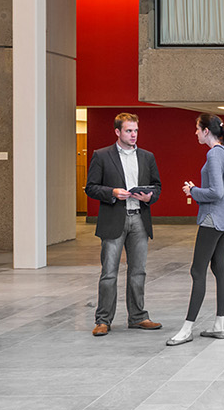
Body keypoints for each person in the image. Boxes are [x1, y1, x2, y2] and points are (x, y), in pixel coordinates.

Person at [83, 112, 162, 336]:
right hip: (114, 220)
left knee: (138, 272)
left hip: (139, 219)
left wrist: (149, 197)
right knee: (109, 273)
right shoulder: (102, 156)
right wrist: (112, 192)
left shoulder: (147, 157)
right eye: (128, 130)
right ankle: (103, 320)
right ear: (117, 132)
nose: (133, 134)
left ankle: (138, 317)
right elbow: (91, 187)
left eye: (135, 130)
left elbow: (157, 186)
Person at [166, 113, 224, 346]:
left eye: (197, 129)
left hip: (211, 220)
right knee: (219, 269)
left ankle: (187, 329)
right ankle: (219, 326)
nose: (195, 133)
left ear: (206, 131)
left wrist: (193, 191)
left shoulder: (214, 154)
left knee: (198, 271)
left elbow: (216, 192)